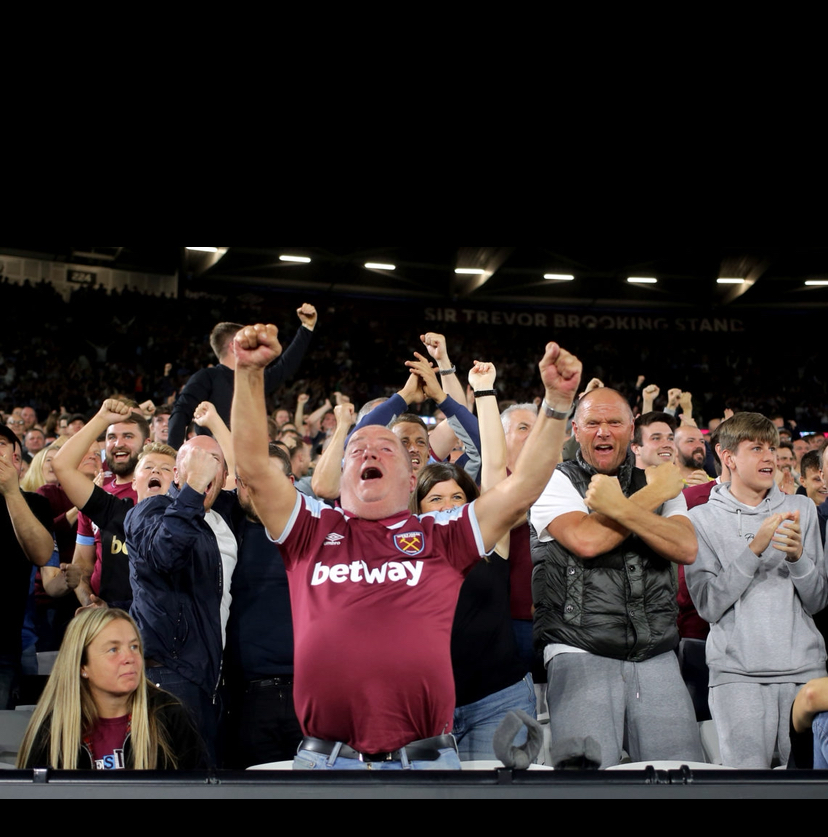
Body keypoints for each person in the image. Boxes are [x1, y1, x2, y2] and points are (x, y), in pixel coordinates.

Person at [231, 323, 581, 770]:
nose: (369, 453)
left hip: (426, 761)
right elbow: (254, 470)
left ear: (413, 475)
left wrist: (557, 404)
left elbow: (525, 485)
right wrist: (249, 374)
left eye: (386, 448)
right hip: (329, 762)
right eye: (357, 449)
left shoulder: (442, 535)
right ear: (340, 473)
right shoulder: (310, 529)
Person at [530, 387, 703, 768]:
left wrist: (619, 507)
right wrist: (651, 496)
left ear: (631, 428)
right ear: (576, 429)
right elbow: (587, 540)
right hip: (579, 648)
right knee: (587, 783)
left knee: (680, 778)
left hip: (656, 650)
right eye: (593, 422)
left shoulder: (659, 482)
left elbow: (685, 547)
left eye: (614, 422)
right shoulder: (553, 481)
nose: (603, 431)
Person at [686, 412, 828, 768]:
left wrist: (797, 558)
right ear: (728, 456)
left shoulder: (801, 508)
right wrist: (753, 550)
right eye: (756, 448)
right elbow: (708, 605)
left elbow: (817, 601)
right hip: (737, 677)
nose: (769, 457)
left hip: (805, 672)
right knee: (749, 787)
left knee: (811, 786)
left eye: (772, 448)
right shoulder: (700, 519)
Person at [125, 432, 239, 765]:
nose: (205, 468)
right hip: (170, 674)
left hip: (215, 677)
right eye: (195, 460)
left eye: (213, 462)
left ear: (224, 477)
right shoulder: (152, 510)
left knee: (210, 778)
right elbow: (165, 554)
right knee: (177, 780)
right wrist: (193, 489)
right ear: (177, 474)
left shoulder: (225, 518)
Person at [16, 608, 205, 769]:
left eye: (134, 647)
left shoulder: (169, 715)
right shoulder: (53, 729)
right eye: (113, 650)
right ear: (82, 666)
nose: (129, 658)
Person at [167, 304, 317, 450]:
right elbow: (180, 413)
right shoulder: (207, 377)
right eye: (247, 339)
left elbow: (285, 367)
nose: (254, 343)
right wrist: (173, 455)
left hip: (247, 460)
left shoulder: (254, 379)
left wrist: (306, 328)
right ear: (234, 345)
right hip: (214, 459)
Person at [0, 425, 54, 709]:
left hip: (5, 646)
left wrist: (10, 491)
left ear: (18, 462)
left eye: (1, 445)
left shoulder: (35, 504)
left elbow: (42, 554)